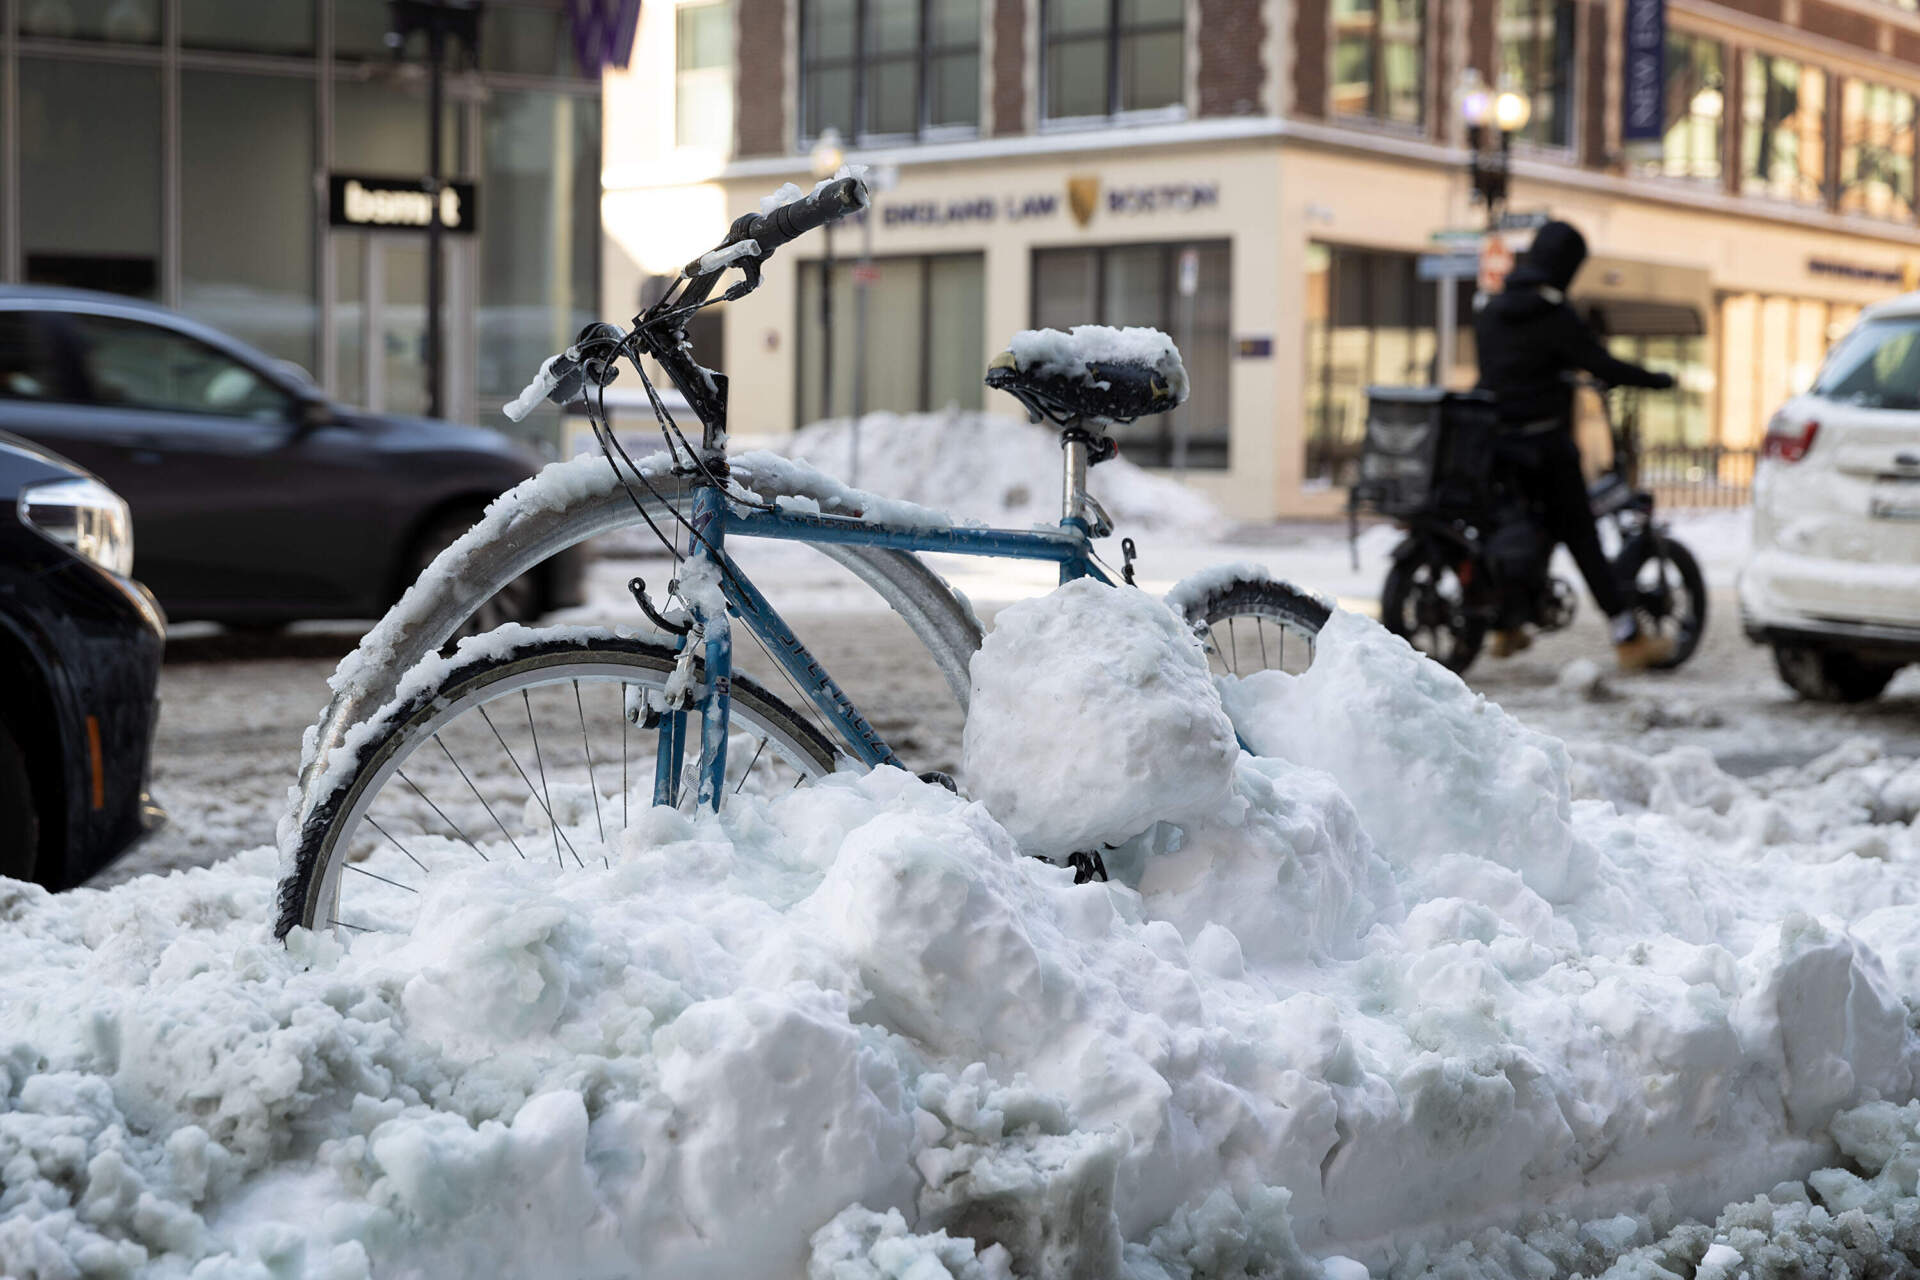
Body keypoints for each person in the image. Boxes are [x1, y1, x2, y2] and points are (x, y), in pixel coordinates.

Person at [1473, 220, 1677, 671]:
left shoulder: (1492, 308)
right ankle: (1627, 635)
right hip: (1546, 446)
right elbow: (1600, 362)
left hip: (1499, 446)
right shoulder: (1554, 315)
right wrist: (1656, 379)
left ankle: (1508, 627)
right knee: (1581, 536)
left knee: (1525, 531)